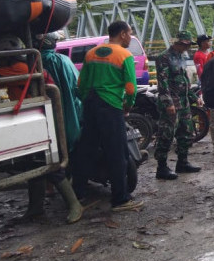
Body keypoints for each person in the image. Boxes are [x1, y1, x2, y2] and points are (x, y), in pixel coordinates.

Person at [74, 20, 142, 212]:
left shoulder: (91, 53)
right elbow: (130, 88)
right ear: (122, 34)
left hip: (91, 105)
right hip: (111, 107)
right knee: (117, 153)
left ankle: (78, 193)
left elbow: (81, 84)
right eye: (129, 33)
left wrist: (88, 100)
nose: (130, 37)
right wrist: (127, 106)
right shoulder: (124, 55)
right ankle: (120, 199)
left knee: (86, 149)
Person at [22, 32, 83, 224]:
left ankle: (70, 203)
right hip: (68, 115)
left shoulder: (35, 63)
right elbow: (77, 86)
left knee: (47, 158)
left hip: (50, 118)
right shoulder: (63, 60)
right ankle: (36, 207)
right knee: (45, 159)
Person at [154, 30, 201, 180]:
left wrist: (193, 97)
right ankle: (161, 167)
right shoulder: (164, 57)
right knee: (166, 135)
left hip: (183, 102)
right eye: (185, 45)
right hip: (172, 103)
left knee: (186, 132)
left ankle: (182, 162)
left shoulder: (181, 56)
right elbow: (163, 82)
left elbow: (184, 81)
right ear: (178, 43)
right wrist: (168, 103)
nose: (187, 48)